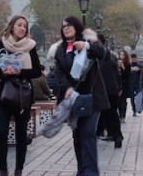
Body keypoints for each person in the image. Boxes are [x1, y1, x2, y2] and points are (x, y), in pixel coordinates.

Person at [51, 16, 108, 176]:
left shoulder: (89, 41)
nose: (66, 29)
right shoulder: (61, 50)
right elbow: (59, 73)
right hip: (73, 99)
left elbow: (105, 55)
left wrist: (87, 46)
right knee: (77, 135)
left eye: (69, 25)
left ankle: (91, 172)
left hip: (92, 96)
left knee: (88, 132)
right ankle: (81, 169)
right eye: (63, 27)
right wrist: (67, 87)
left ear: (77, 27)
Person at [0, 15, 42, 176]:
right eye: (19, 25)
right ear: (12, 26)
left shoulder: (30, 46)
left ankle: (19, 169)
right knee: (2, 131)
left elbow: (37, 71)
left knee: (21, 133)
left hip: (22, 94)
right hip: (3, 93)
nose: (22, 28)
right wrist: (4, 73)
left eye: (25, 26)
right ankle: (3, 169)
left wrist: (20, 71)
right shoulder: (0, 44)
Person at [95, 45, 122, 148]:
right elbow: (118, 75)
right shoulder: (112, 60)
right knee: (113, 114)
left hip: (101, 91)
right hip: (113, 91)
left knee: (101, 113)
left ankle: (97, 133)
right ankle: (117, 136)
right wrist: (119, 88)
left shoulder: (96, 60)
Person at [116, 51, 132, 122]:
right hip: (117, 84)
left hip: (125, 85)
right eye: (121, 54)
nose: (122, 56)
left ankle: (123, 115)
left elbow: (128, 75)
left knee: (123, 101)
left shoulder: (127, 64)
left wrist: (123, 67)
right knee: (118, 101)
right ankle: (120, 115)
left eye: (123, 55)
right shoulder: (116, 63)